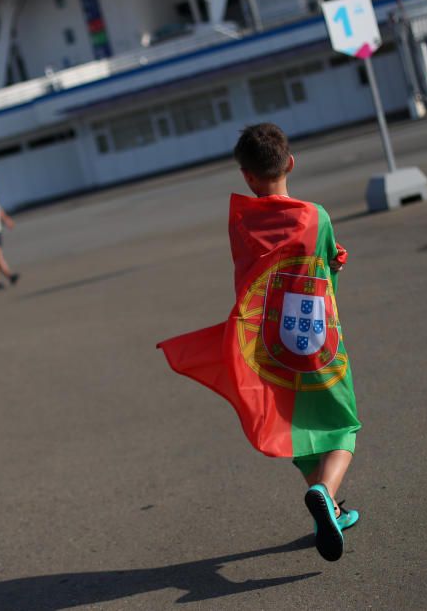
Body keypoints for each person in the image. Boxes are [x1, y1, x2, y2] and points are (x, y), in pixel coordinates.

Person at [157, 123, 361, 562]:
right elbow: (324, 263)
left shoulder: (242, 225)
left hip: (268, 344)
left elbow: (257, 272)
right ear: (290, 163)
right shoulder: (316, 215)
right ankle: (326, 493)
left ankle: (332, 509)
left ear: (246, 176)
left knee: (293, 422)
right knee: (343, 424)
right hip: (315, 338)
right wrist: (336, 261)